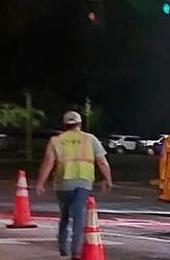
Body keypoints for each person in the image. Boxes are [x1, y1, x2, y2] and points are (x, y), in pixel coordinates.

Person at [34, 111, 115, 260]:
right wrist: (107, 179)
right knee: (79, 217)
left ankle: (63, 247)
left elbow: (48, 163)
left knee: (64, 215)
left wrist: (41, 183)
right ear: (80, 123)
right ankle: (76, 251)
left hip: (63, 183)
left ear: (65, 125)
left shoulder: (56, 141)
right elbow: (102, 161)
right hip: (83, 182)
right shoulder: (90, 139)